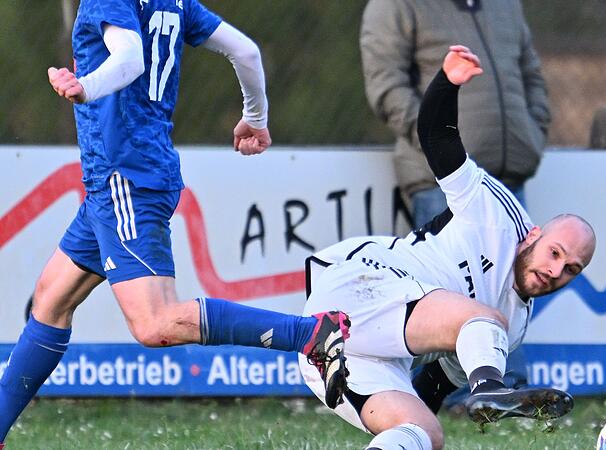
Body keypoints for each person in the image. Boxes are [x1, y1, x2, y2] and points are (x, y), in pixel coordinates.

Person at [0, 1, 350, 446]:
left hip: (125, 180)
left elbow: (130, 58)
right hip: (126, 178)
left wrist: (84, 88)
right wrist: (255, 118)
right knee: (50, 299)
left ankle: (313, 334)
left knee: (155, 323)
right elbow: (246, 52)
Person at [300, 46, 595, 450]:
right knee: (483, 319)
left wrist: (416, 416)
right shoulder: (496, 213)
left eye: (571, 269)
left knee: (424, 433)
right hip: (357, 291)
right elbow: (437, 137)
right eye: (555, 253)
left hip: (345, 358)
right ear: (533, 235)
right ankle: (489, 389)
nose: (556, 271)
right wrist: (448, 82)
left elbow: (434, 384)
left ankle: (477, 396)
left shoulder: (511, 328)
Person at [360, 0, 551, 392]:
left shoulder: (504, 5)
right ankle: (451, 396)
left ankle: (503, 390)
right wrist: (438, 145)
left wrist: (531, 132)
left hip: (507, 178)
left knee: (511, 294)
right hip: (444, 182)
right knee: (448, 297)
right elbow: (386, 84)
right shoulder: (396, 4)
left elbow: (531, 74)